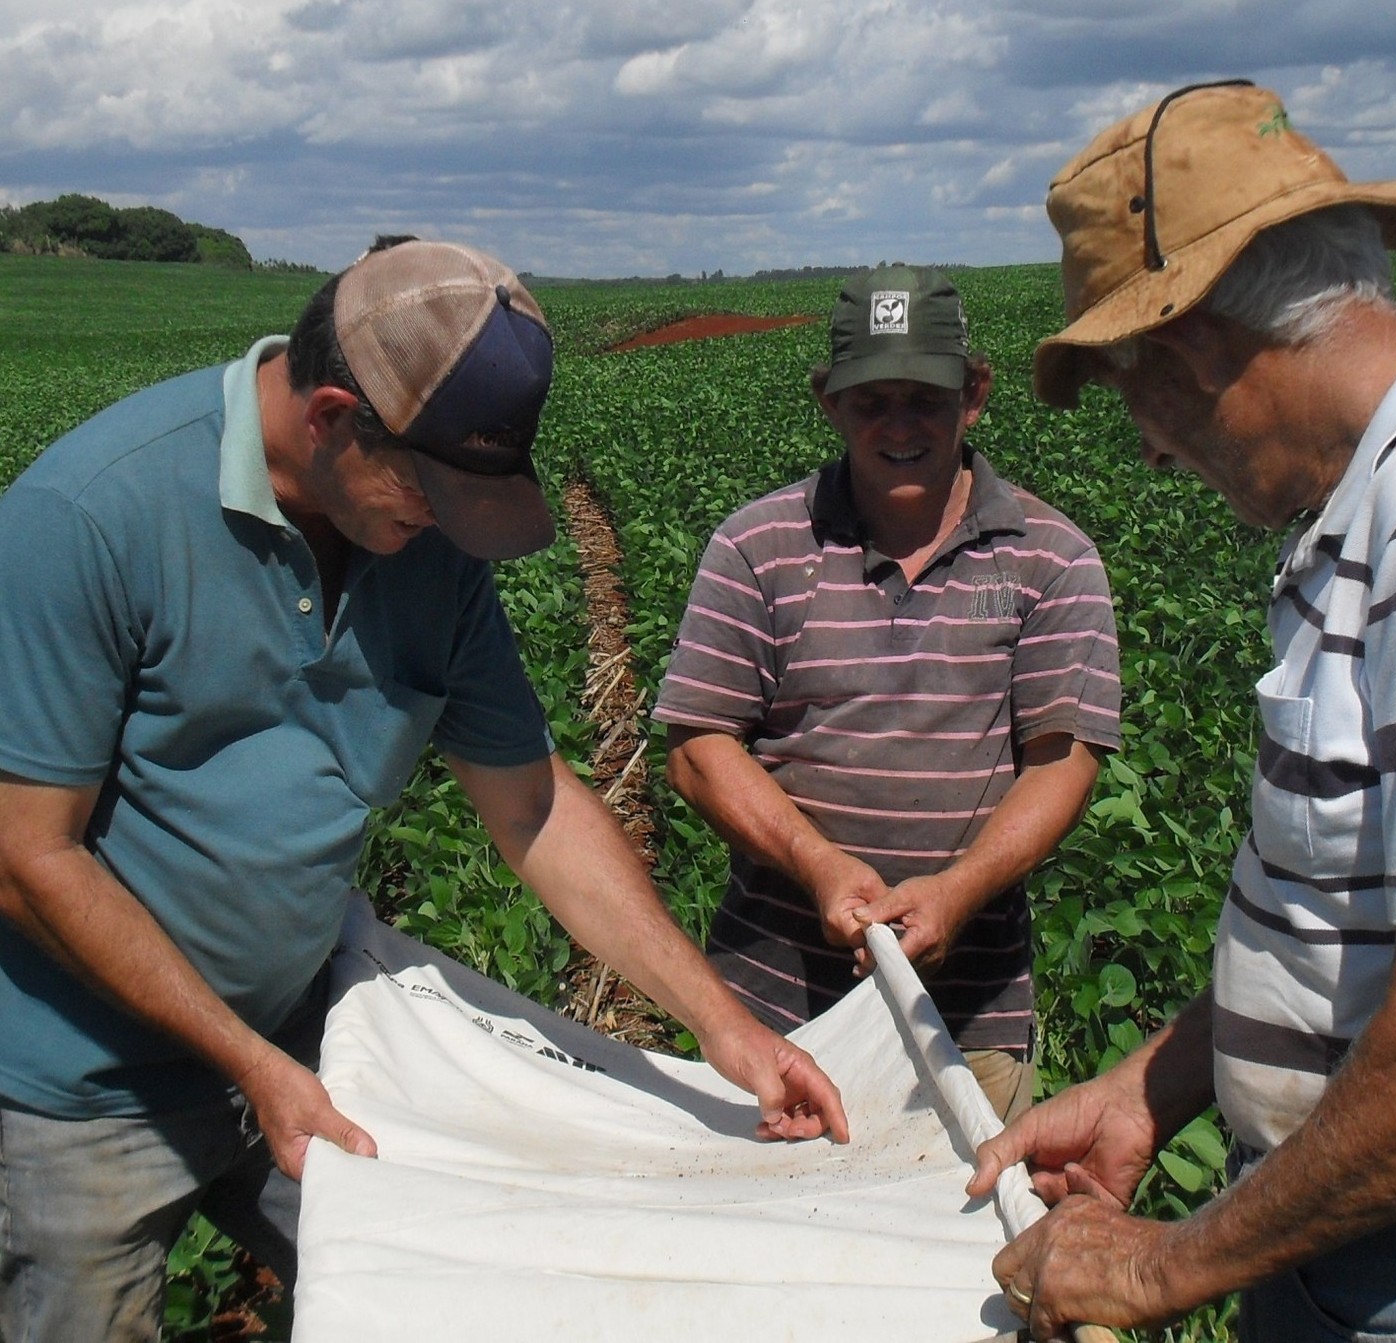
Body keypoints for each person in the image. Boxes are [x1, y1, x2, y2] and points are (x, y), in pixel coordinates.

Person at [0, 237, 847, 1343]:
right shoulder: (92, 517)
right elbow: (29, 855)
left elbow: (531, 804)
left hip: (301, 1036)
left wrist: (726, 1031)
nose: (447, 525)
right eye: (430, 489)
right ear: (336, 415)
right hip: (82, 1095)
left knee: (435, 1297)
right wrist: (248, 1061)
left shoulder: (424, 547)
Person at [967, 80, 1396, 1340]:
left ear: (1192, 343)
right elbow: (1376, 920)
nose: (1150, 451)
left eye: (1131, 392)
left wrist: (1161, 1268)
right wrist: (1159, 1083)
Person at [653, 264, 1122, 1123]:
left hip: (969, 1016)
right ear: (828, 400)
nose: (898, 426)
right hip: (772, 1011)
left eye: (925, 398)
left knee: (962, 1249)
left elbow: (1062, 760)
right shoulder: (756, 545)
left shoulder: (1051, 557)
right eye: (871, 401)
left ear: (973, 394)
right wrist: (817, 862)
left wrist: (961, 887)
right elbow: (697, 750)